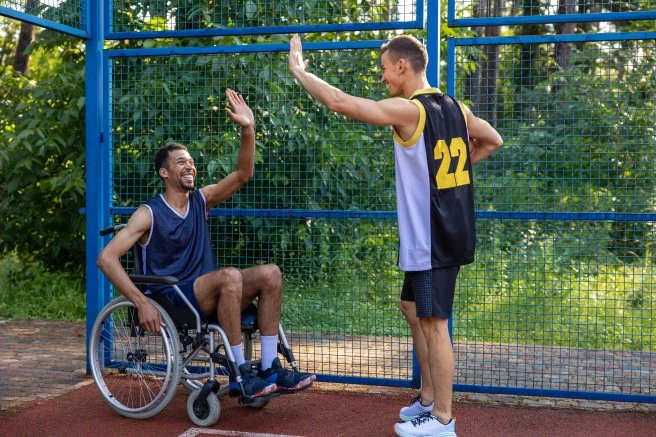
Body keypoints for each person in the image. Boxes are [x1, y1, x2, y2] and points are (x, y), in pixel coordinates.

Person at [288, 34, 502, 436]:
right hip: (439, 232)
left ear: (402, 66)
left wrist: (300, 71)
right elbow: (493, 139)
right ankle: (426, 399)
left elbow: (340, 102)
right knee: (411, 308)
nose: (382, 76)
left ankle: (442, 419)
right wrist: (460, 170)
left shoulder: (412, 110)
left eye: (385, 68)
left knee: (436, 325)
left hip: (434, 235)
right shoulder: (456, 107)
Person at [96, 88, 315, 400]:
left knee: (271, 273)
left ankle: (268, 368)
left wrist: (248, 129)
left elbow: (242, 173)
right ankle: (241, 374)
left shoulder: (202, 199)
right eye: (181, 162)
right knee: (230, 276)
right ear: (164, 172)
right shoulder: (148, 214)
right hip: (173, 298)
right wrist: (141, 302)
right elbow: (106, 258)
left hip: (207, 294)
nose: (190, 167)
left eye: (192, 162)